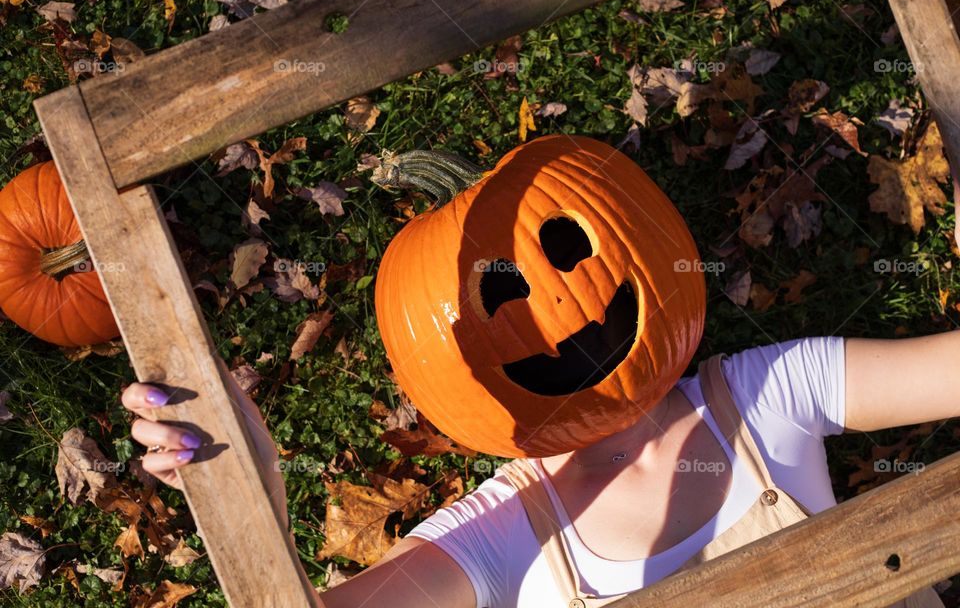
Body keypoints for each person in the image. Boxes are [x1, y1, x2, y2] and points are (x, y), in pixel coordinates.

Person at [122, 331, 960, 607]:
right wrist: (258, 492)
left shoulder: (765, 393)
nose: (556, 323)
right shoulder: (493, 540)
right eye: (503, 320)